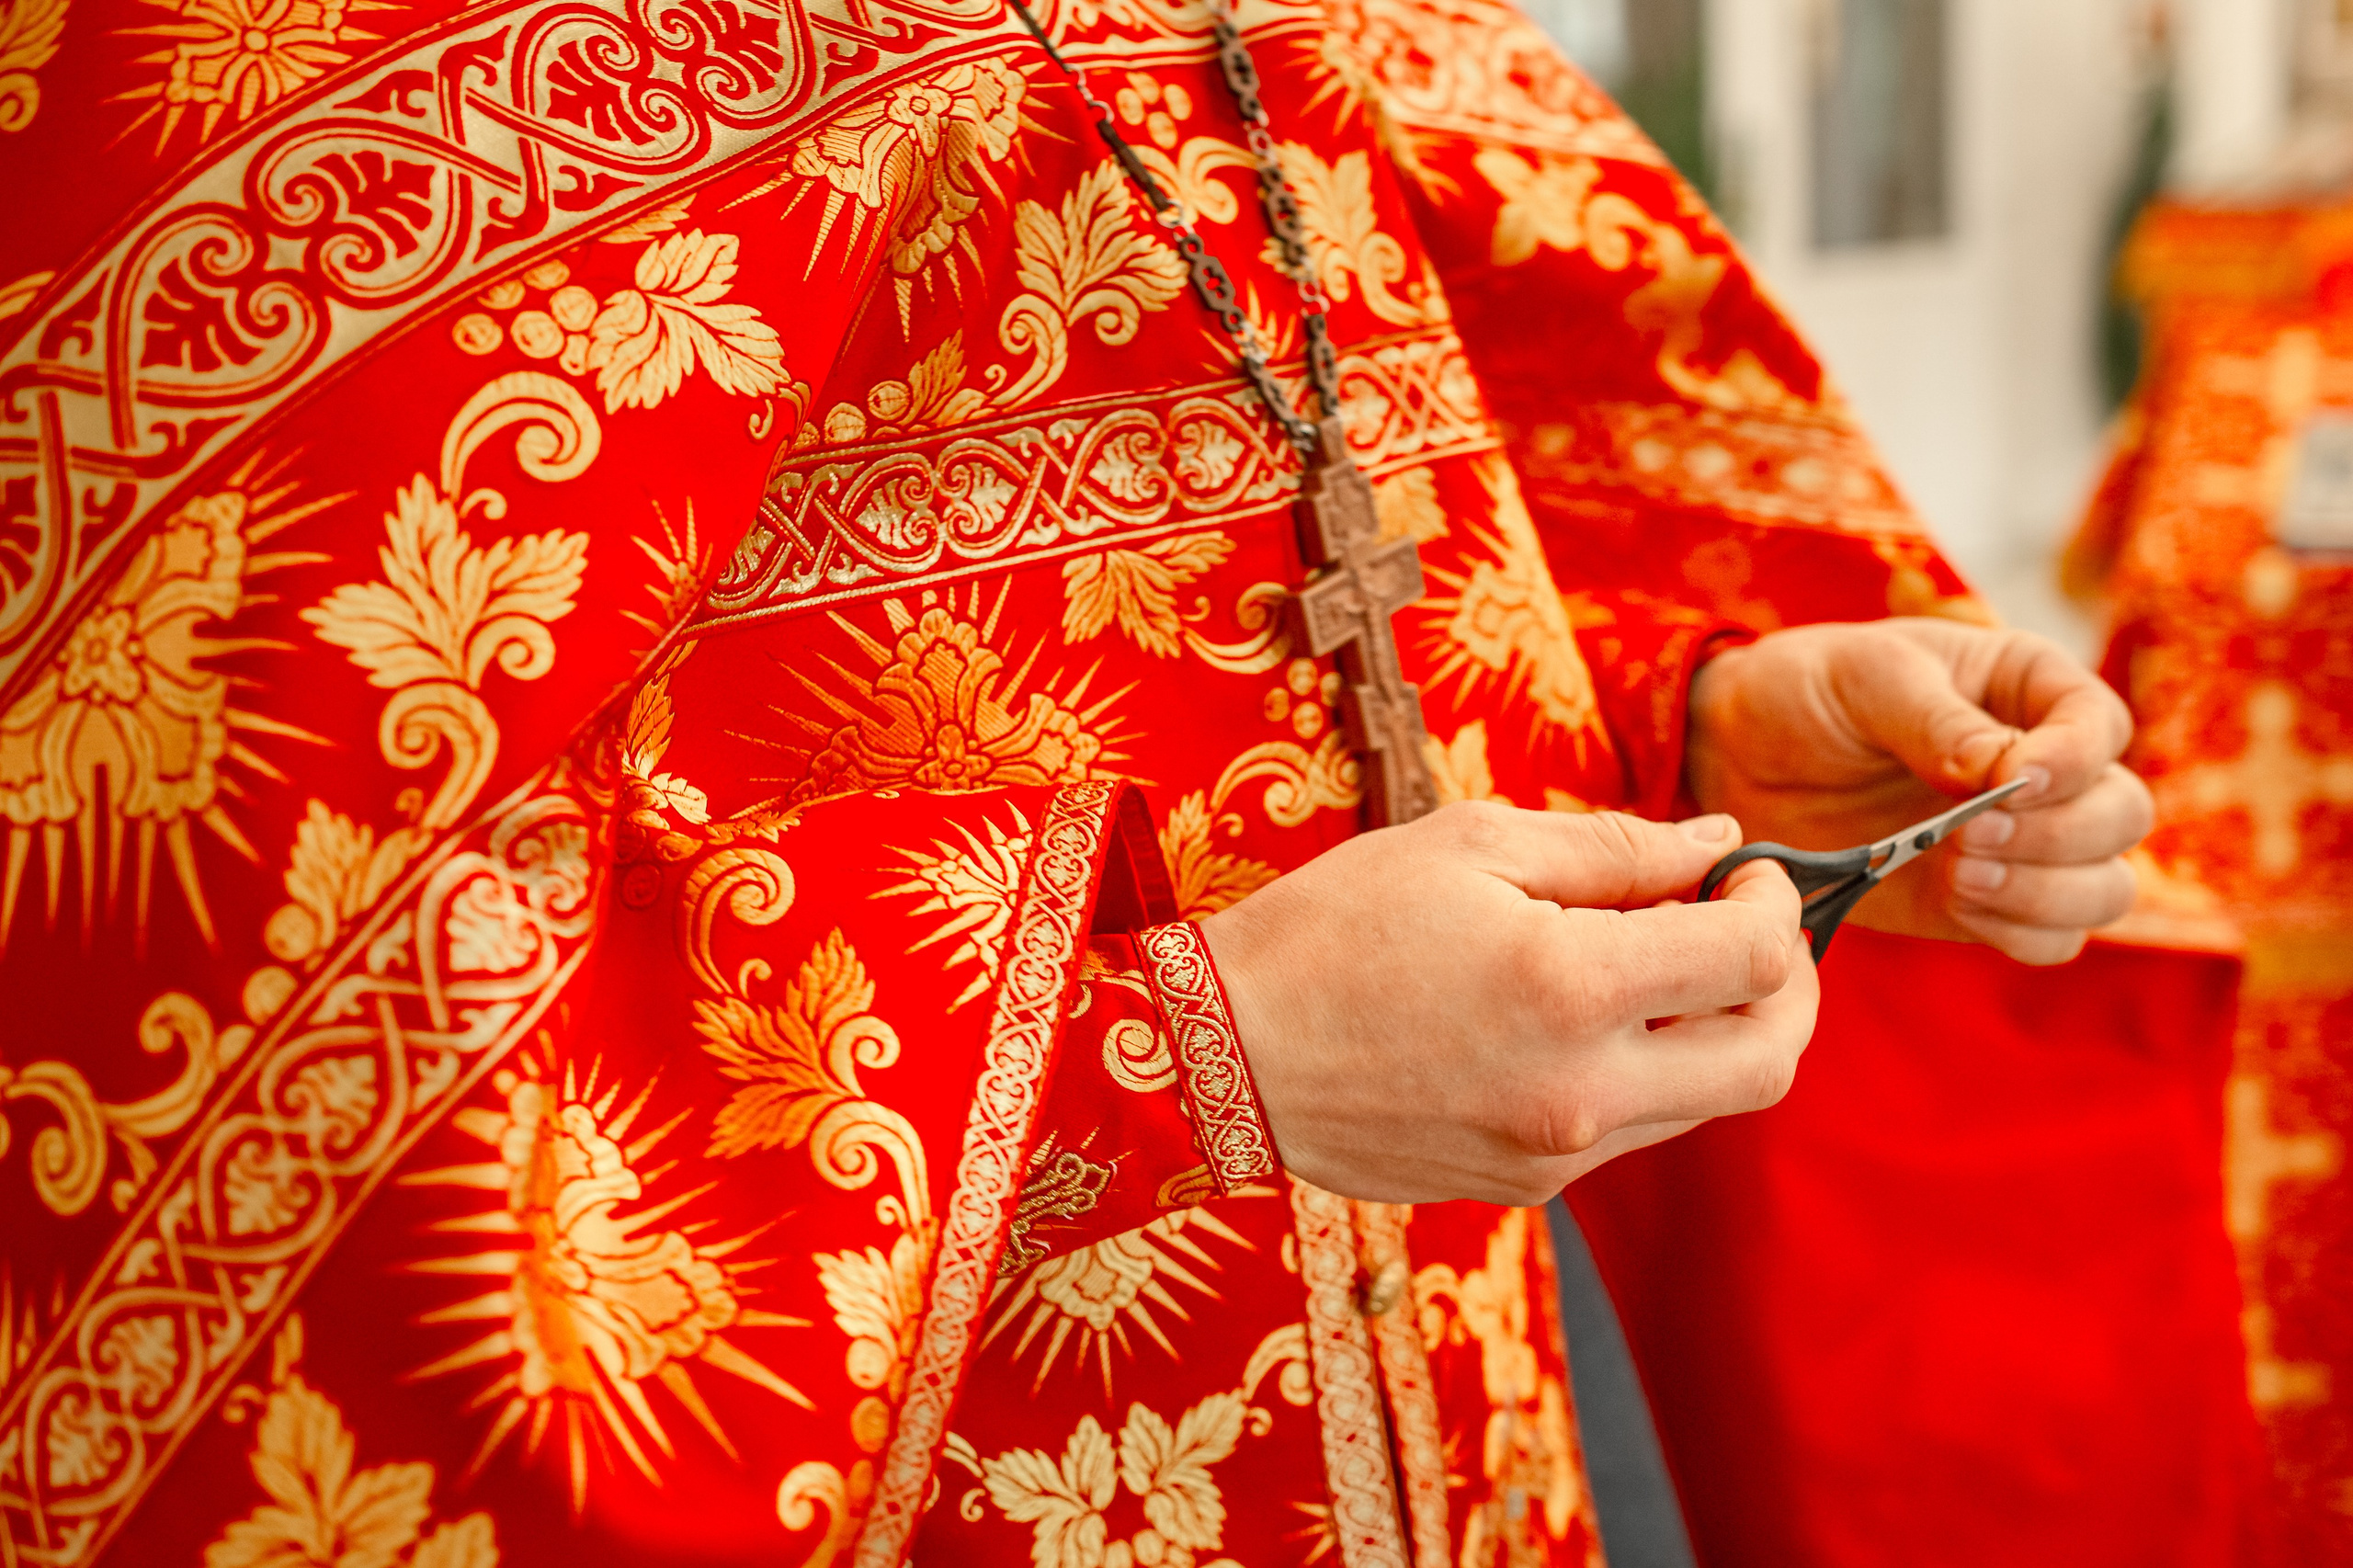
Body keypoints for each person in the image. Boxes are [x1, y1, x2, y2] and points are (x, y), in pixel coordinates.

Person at [0, 0, 2143, 1562]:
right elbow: (194, 982)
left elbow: (1262, 555)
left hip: (1465, 1380)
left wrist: (1662, 733)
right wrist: (1173, 1052)